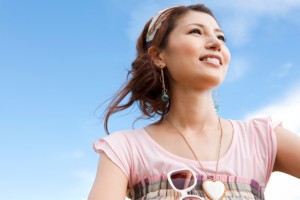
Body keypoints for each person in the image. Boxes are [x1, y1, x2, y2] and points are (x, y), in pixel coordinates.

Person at [88, 3, 300, 200]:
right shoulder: (125, 149)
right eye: (196, 32)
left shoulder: (262, 138)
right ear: (158, 56)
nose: (216, 43)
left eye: (221, 37)